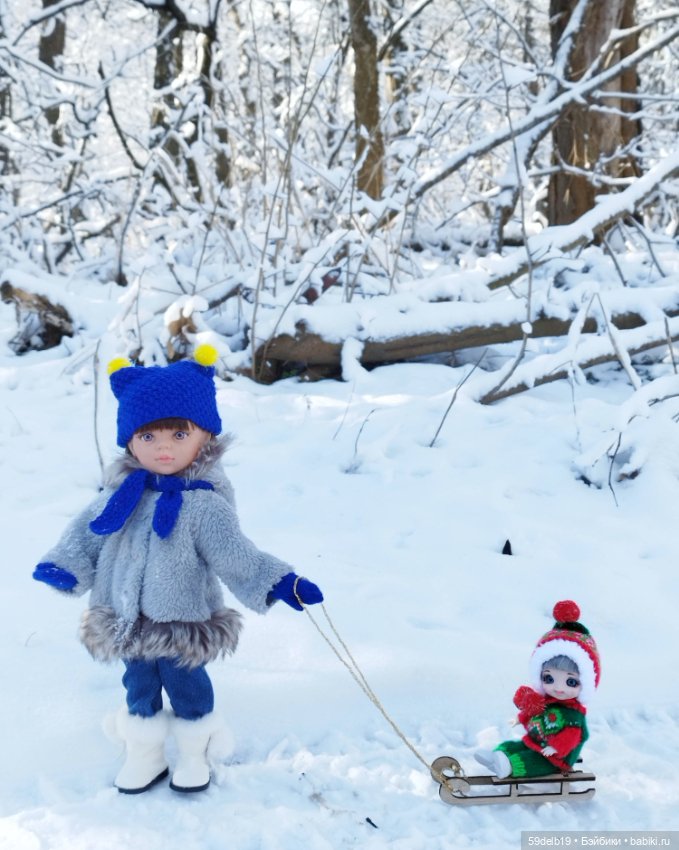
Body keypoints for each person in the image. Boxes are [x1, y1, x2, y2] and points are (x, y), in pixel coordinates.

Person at [33, 345, 323, 795]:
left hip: (183, 620)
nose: (163, 447)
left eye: (177, 435)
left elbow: (236, 554)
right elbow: (86, 532)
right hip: (122, 616)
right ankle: (144, 753)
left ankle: (194, 752)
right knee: (138, 685)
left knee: (187, 685)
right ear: (130, 441)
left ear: (204, 437)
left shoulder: (205, 505)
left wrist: (280, 581)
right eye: (148, 437)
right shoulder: (122, 494)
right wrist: (65, 566)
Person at [475, 600, 600, 778]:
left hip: (556, 757)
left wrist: (555, 747)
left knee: (534, 761)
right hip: (536, 743)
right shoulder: (546, 702)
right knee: (514, 746)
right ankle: (496, 756)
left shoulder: (573, 715)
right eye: (549, 678)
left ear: (585, 683)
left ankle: (510, 766)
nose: (558, 687)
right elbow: (534, 713)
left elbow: (571, 735)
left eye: (570, 682)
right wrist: (520, 718)